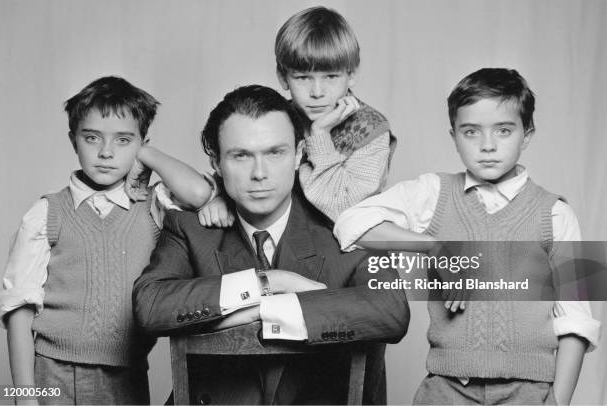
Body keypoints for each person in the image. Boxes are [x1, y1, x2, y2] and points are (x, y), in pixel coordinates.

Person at [334, 68, 601, 405]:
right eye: (471, 132)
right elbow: (349, 224)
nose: (487, 146)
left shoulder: (558, 213)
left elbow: (578, 321)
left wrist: (558, 402)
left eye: (503, 131)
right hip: (446, 390)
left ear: (527, 135)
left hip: (531, 393)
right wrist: (435, 247)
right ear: (454, 136)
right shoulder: (433, 193)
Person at [132, 85, 409, 405]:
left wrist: (260, 309)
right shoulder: (190, 227)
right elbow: (150, 306)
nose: (259, 173)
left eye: (275, 152)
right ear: (218, 165)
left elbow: (390, 310)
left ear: (299, 154)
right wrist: (268, 282)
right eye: (241, 156)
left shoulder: (350, 225)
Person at [0, 76, 216, 405]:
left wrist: (149, 156)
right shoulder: (46, 213)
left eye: (124, 141)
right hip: (52, 372)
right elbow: (18, 310)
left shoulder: (152, 207)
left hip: (126, 377)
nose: (106, 152)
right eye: (92, 138)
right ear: (74, 140)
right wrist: (25, 397)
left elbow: (199, 194)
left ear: (142, 142)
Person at [197, 6, 396, 227]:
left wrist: (320, 136)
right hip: (284, 240)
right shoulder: (279, 118)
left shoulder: (371, 129)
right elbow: (242, 166)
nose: (317, 92)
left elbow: (343, 210)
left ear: (351, 75)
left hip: (342, 249)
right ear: (283, 77)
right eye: (303, 78)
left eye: (330, 76)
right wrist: (220, 198)